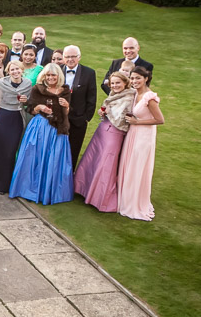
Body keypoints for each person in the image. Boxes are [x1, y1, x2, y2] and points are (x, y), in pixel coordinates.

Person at [9, 64, 74, 205]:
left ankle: (50, 191)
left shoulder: (65, 91)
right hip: (40, 128)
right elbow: (30, 109)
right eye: (48, 75)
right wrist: (39, 107)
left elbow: (66, 114)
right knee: (35, 157)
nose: (50, 78)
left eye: (53, 75)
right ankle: (29, 189)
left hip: (58, 129)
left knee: (54, 160)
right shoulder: (37, 89)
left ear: (59, 76)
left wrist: (66, 106)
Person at [74, 71, 135, 212]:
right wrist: (102, 113)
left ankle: (100, 198)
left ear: (125, 83)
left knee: (105, 164)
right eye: (112, 83)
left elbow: (121, 119)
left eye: (118, 83)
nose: (115, 85)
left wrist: (108, 112)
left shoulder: (129, 97)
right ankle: (83, 189)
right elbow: (110, 112)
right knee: (92, 160)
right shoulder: (114, 95)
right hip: (102, 130)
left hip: (114, 133)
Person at [118, 67, 164, 221]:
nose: (134, 81)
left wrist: (137, 122)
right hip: (133, 133)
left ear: (146, 78)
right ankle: (126, 197)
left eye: (138, 78)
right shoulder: (135, 93)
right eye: (132, 78)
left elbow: (160, 120)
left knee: (137, 167)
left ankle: (135, 202)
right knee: (129, 164)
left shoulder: (149, 98)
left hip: (143, 137)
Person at [0, 61, 32, 194]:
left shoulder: (27, 84)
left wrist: (25, 101)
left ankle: (3, 184)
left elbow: (30, 102)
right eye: (12, 70)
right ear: (8, 71)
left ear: (22, 70)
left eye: (17, 69)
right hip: (2, 117)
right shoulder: (2, 83)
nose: (15, 72)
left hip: (16, 118)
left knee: (10, 152)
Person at [61, 45, 97, 169]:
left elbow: (92, 97)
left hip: (78, 120)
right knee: (57, 150)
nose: (70, 59)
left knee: (73, 151)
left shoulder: (89, 73)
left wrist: (86, 118)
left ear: (79, 57)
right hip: (58, 119)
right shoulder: (56, 70)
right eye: (67, 57)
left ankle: (68, 180)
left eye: (73, 56)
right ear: (63, 58)